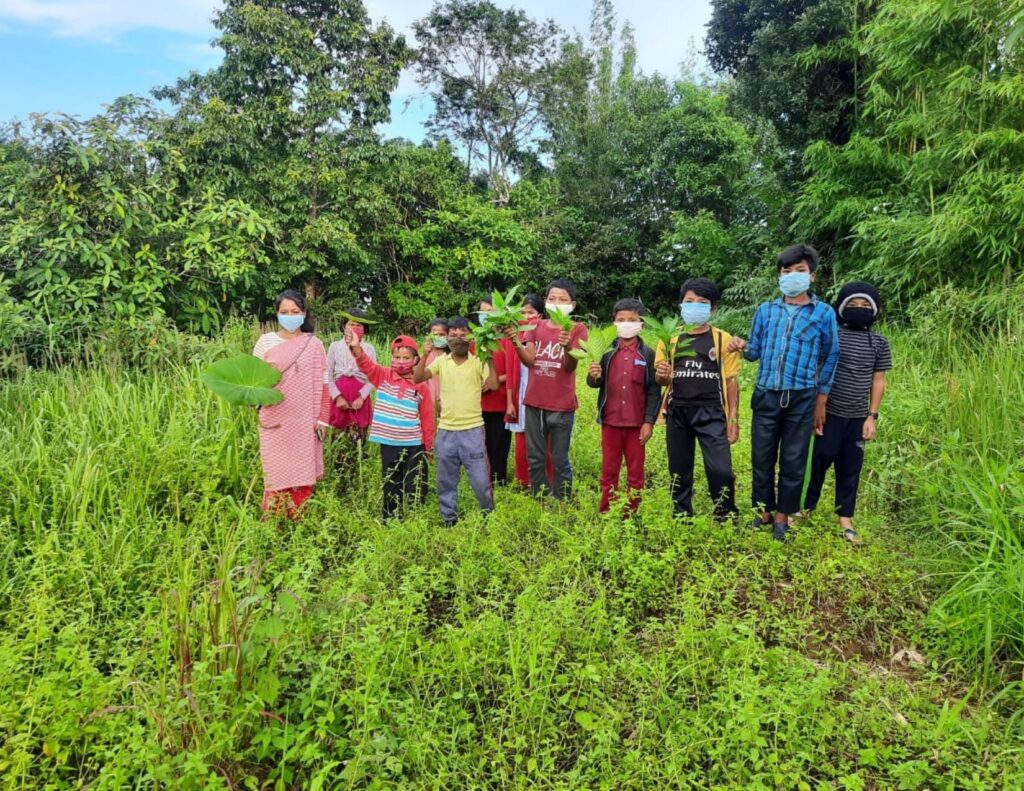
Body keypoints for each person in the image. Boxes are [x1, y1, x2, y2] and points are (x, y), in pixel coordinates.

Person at [728, 244, 840, 541]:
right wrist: (740, 345)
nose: (792, 276)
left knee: (793, 459)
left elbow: (830, 356)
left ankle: (782, 516)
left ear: (812, 276)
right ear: (779, 276)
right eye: (786, 271)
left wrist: (822, 400)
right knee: (762, 456)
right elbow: (755, 351)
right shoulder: (766, 311)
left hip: (802, 397)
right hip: (766, 395)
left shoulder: (824, 313)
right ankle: (763, 510)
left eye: (799, 271)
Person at [803, 282, 892, 543]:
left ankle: (845, 518)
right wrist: (815, 408)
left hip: (857, 417)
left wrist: (871, 416)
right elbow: (817, 369)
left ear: (874, 311)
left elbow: (878, 380)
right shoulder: (831, 335)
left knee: (850, 468)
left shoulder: (879, 342)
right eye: (852, 305)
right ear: (841, 308)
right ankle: (806, 508)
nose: (859, 309)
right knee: (816, 462)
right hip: (827, 414)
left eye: (866, 306)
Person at [655, 279, 741, 520]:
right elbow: (662, 380)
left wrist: (733, 420)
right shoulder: (669, 338)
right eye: (689, 301)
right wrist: (662, 376)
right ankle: (682, 515)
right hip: (678, 412)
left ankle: (725, 514)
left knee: (721, 469)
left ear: (712, 309)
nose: (695, 307)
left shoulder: (723, 340)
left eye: (702, 303)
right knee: (679, 470)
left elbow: (732, 382)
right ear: (680, 305)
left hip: (712, 413)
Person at [252, 289, 331, 519]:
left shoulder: (313, 344)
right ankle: (273, 528)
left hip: (305, 422)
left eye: (295, 311)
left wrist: (323, 419)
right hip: (274, 420)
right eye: (284, 311)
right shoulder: (266, 342)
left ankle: (298, 525)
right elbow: (253, 381)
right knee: (275, 474)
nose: (290, 316)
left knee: (302, 475)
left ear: (304, 313)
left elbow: (324, 383)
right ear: (276, 314)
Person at [414, 317, 499, 527]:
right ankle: (448, 519)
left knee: (480, 481)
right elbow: (417, 378)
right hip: (446, 432)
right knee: (446, 480)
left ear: (471, 338)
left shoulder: (478, 360)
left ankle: (488, 515)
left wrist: (489, 359)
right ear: (446, 338)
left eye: (463, 335)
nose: (458, 339)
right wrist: (424, 355)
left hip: (473, 431)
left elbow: (495, 385)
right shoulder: (441, 361)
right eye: (453, 335)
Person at [508, 279, 588, 500]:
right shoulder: (536, 327)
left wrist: (567, 347)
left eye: (562, 299)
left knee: (559, 458)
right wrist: (515, 341)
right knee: (535, 457)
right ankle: (540, 499)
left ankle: (562, 500)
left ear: (572, 305)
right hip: (534, 403)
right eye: (552, 298)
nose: (556, 302)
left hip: (561, 406)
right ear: (545, 302)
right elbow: (530, 361)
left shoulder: (578, 329)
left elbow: (570, 367)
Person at [348, 331, 436, 521]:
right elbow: (366, 364)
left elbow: (428, 419)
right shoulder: (383, 375)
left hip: (413, 443)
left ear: (416, 359)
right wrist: (356, 347)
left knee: (415, 482)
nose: (401, 361)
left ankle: (415, 520)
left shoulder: (421, 385)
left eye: (406, 358)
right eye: (396, 357)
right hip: (388, 442)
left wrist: (429, 446)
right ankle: (391, 519)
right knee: (391, 481)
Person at [586, 298, 661, 515]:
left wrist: (649, 422)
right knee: (609, 471)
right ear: (613, 322)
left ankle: (631, 513)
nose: (626, 323)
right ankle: (606, 511)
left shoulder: (648, 355)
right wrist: (595, 376)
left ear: (642, 324)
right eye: (621, 320)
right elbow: (592, 383)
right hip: (610, 421)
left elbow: (653, 391)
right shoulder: (605, 353)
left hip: (637, 424)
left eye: (632, 320)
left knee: (636, 472)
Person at [504, 294, 554, 489]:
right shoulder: (513, 337)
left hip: (541, 394)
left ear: (540, 315)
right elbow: (510, 371)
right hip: (521, 393)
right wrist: (510, 402)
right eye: (522, 312)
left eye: (530, 312)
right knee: (522, 439)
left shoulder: (545, 337)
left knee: (545, 440)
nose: (526, 316)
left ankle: (546, 481)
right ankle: (523, 481)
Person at [477, 295, 518, 485]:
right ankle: (482, 478)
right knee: (481, 444)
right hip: (479, 402)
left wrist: (496, 380)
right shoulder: (477, 339)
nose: (486, 315)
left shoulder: (508, 339)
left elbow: (517, 371)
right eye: (482, 311)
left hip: (502, 400)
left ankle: (499, 480)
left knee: (500, 444)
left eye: (490, 312)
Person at [326, 308, 376, 457]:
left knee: (358, 440)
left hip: (359, 400)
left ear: (364, 330)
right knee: (338, 440)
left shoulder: (369, 349)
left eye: (359, 325)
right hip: (339, 398)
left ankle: (356, 472)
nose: (354, 328)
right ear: (344, 326)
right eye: (351, 324)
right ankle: (339, 474)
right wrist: (337, 397)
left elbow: (372, 377)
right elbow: (327, 375)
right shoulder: (335, 347)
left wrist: (362, 398)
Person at [423, 318, 449, 428]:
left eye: (442, 334)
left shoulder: (452, 356)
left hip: (448, 402)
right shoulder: (424, 356)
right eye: (435, 334)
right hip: (428, 402)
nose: (438, 337)